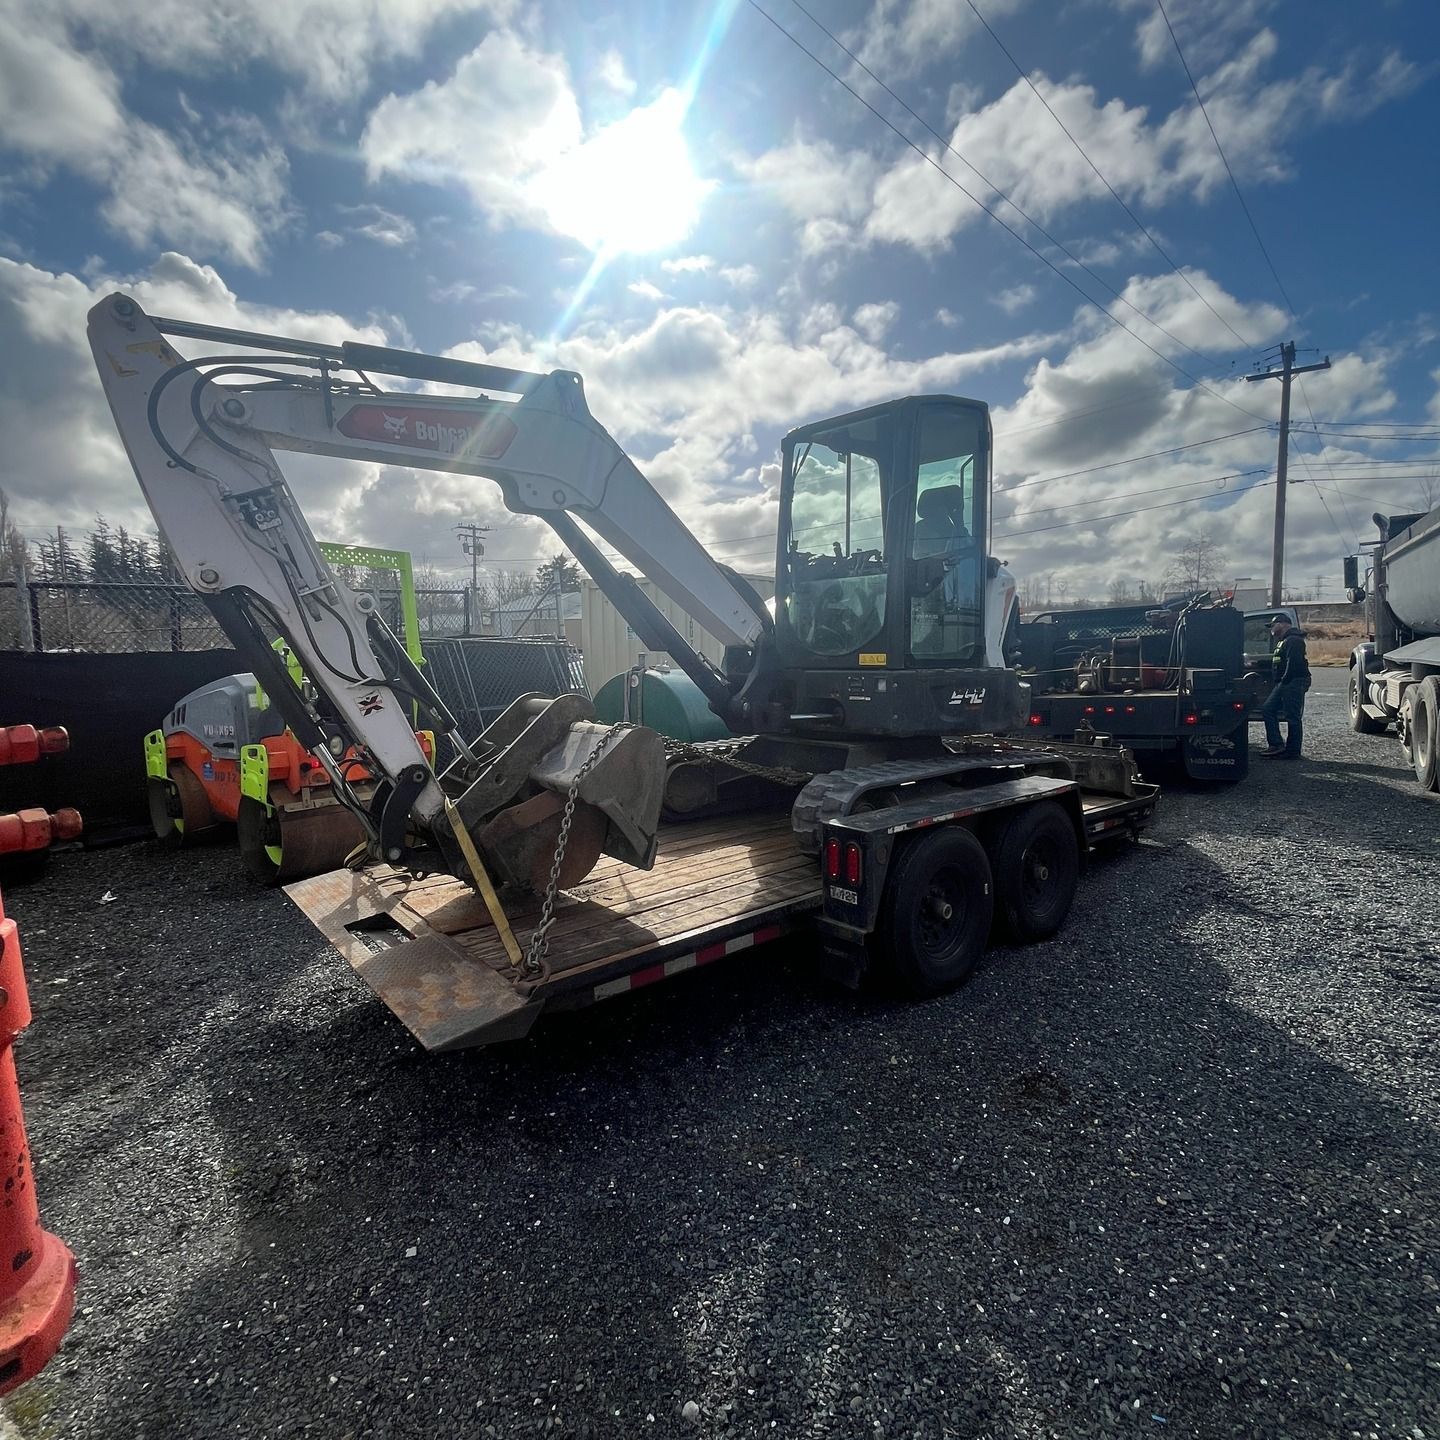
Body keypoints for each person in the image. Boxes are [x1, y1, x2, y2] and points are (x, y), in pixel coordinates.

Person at [1260, 614, 1311, 758]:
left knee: (1292, 716)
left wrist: (1283, 681)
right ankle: (1276, 745)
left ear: (1281, 624)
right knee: (1268, 710)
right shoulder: (1284, 641)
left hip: (1293, 681)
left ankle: (1292, 751)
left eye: (1272, 625)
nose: (1271, 628)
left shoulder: (1293, 640)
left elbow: (1293, 663)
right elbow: (1279, 660)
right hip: (1287, 682)